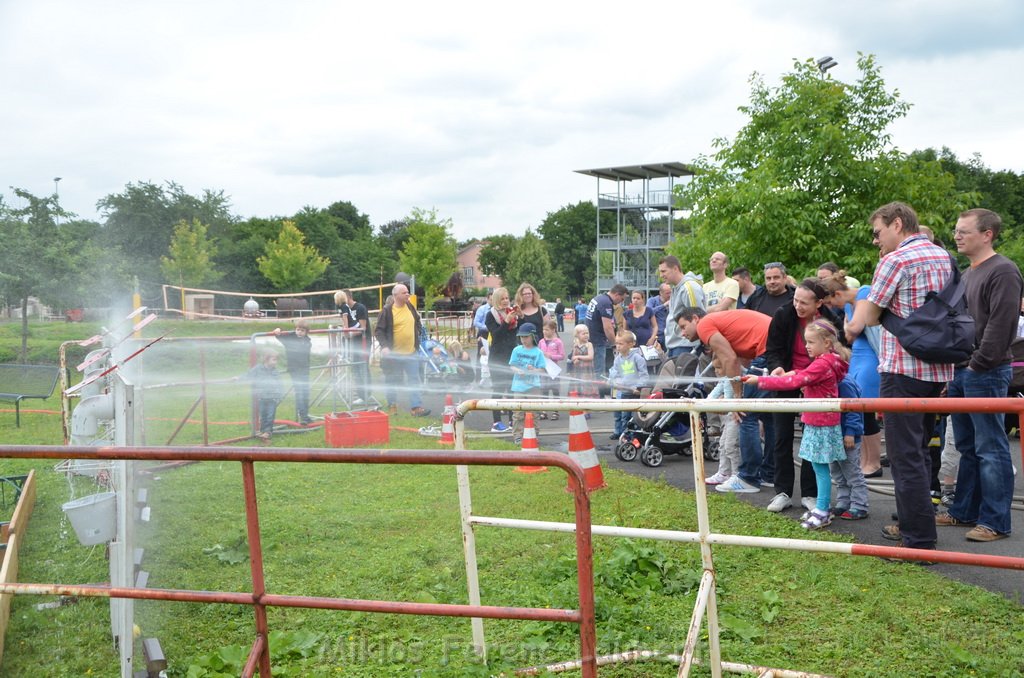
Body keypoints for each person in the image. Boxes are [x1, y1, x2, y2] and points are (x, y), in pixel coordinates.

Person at [845, 201, 956, 553]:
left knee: (906, 457)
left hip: (902, 368)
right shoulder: (943, 256)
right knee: (921, 452)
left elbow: (871, 316)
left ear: (896, 224)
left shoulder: (895, 260)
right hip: (938, 368)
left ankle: (918, 540)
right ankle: (912, 523)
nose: (876, 241)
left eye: (878, 233)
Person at [937, 208, 1023, 542]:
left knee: (991, 447)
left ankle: (996, 521)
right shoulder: (968, 272)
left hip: (985, 370)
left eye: (964, 231)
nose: (957, 236)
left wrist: (977, 364)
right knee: (969, 446)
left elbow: (1002, 325)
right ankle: (964, 511)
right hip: (964, 369)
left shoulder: (1002, 270)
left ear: (987, 234)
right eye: (956, 230)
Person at [744, 319, 850, 529]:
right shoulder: (829, 360)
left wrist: (760, 381)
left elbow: (797, 382)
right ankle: (821, 507)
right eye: (806, 341)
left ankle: (822, 510)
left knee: (820, 469)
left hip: (819, 422)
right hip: (820, 421)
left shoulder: (823, 362)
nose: (807, 346)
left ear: (827, 343)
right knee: (821, 468)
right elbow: (804, 376)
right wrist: (793, 373)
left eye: (811, 342)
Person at [763, 278, 845, 514]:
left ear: (818, 303)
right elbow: (773, 350)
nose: (797, 306)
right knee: (781, 435)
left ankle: (810, 493)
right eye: (795, 300)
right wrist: (777, 368)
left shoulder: (830, 320)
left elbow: (840, 348)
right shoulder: (783, 314)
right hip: (788, 376)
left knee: (813, 439)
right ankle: (782, 492)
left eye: (804, 303)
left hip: (816, 380)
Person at [674, 307, 774, 493]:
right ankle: (769, 474)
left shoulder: (705, 325)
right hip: (773, 345)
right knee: (770, 416)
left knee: (746, 416)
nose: (682, 333)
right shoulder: (720, 323)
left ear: (695, 319)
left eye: (683, 326)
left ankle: (749, 479)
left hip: (767, 349)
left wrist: (737, 399)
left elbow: (730, 360)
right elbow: (740, 359)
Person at [823, 273, 883, 478]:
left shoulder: (864, 293)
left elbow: (854, 328)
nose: (834, 307)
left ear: (838, 293)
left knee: (866, 408)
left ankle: (873, 461)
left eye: (832, 301)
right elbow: (849, 334)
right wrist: (850, 326)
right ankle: (864, 459)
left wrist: (850, 325)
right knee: (856, 406)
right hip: (858, 354)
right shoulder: (849, 304)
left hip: (870, 356)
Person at [374, 283, 431, 418]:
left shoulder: (410, 307)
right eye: (404, 293)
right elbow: (379, 331)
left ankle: (416, 408)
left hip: (411, 353)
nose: (408, 295)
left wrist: (417, 334)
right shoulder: (387, 311)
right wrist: (385, 346)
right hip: (394, 355)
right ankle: (392, 405)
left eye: (408, 292)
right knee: (392, 380)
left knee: (414, 380)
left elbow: (417, 321)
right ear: (395, 295)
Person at [832, 375, 869, 519]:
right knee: (837, 473)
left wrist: (851, 432)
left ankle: (860, 505)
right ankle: (843, 502)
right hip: (833, 436)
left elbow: (854, 409)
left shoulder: (844, 384)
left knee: (852, 473)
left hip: (847, 436)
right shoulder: (829, 382)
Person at [485, 287, 519, 432]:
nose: (506, 301)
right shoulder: (490, 315)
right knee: (498, 388)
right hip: (497, 357)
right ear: (497, 300)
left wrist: (519, 318)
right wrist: (506, 322)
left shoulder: (511, 313)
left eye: (507, 298)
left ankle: (512, 420)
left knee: (511, 389)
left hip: (510, 356)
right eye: (503, 298)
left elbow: (515, 335)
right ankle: (496, 422)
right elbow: (497, 335)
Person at [704, 355, 741, 486]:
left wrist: (723, 400)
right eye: (715, 368)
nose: (716, 371)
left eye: (719, 367)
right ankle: (724, 473)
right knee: (722, 444)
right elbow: (713, 394)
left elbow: (733, 396)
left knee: (731, 446)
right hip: (727, 417)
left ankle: (737, 474)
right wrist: (705, 403)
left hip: (734, 417)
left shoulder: (734, 379)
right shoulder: (723, 380)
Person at [658, 256, 705, 358]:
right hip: (676, 345)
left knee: (684, 374)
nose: (661, 275)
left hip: (687, 346)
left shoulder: (689, 288)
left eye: (663, 271)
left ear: (675, 268)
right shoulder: (676, 288)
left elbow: (697, 317)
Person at [509, 322, 547, 444]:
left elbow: (542, 369)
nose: (523, 340)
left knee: (534, 412)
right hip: (518, 387)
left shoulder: (538, 352)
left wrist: (533, 370)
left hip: (533, 387)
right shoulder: (516, 350)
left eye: (526, 337)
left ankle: (534, 435)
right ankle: (518, 436)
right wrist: (518, 370)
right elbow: (512, 366)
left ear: (533, 336)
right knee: (517, 413)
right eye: (521, 337)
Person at [585, 283, 628, 388]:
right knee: (599, 370)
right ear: (617, 294)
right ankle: (599, 394)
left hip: (591, 338)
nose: (621, 302)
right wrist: (615, 343)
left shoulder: (599, 298)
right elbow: (608, 327)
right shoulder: (606, 303)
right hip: (598, 340)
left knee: (594, 369)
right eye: (622, 299)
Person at [608, 330, 648, 441]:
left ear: (631, 344)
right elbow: (615, 373)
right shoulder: (617, 359)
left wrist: (639, 387)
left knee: (633, 417)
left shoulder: (637, 358)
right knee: (622, 416)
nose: (618, 346)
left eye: (621, 344)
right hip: (623, 392)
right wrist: (613, 380)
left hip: (634, 393)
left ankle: (634, 437)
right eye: (617, 343)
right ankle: (624, 435)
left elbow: (644, 375)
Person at [273, 320, 313, 425]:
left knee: (306, 393)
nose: (299, 332)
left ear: (306, 332)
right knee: (300, 392)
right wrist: (278, 330)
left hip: (304, 370)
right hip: (295, 370)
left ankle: (306, 415)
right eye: (298, 329)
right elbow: (279, 335)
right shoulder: (290, 338)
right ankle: (303, 416)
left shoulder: (307, 341)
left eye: (302, 330)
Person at [337, 289, 371, 404]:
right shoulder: (344, 309)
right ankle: (361, 395)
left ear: (347, 297)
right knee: (355, 368)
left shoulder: (360, 308)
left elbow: (363, 328)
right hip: (353, 343)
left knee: (362, 367)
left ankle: (366, 395)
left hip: (363, 342)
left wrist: (348, 334)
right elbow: (344, 324)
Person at [248, 349, 284, 441]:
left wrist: (279, 396)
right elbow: (249, 375)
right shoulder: (258, 368)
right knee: (263, 414)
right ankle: (263, 430)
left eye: (276, 359)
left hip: (272, 398)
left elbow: (280, 384)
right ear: (266, 359)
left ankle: (268, 432)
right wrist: (238, 378)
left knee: (270, 415)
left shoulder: (275, 371)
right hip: (262, 397)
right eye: (274, 359)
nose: (276, 362)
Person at [538, 318, 565, 420]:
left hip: (554, 370)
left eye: (547, 330)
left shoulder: (558, 342)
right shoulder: (541, 342)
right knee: (543, 390)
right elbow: (539, 353)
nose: (545, 332)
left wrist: (551, 356)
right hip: (544, 369)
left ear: (553, 330)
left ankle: (555, 411)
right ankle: (544, 411)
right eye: (544, 329)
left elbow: (562, 356)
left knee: (555, 390)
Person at [570, 324, 598, 398]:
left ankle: (588, 399)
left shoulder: (589, 345)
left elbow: (590, 357)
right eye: (583, 334)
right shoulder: (575, 345)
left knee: (587, 384)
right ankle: (579, 399)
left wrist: (578, 357)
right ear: (577, 335)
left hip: (587, 370)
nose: (586, 335)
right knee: (579, 385)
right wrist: (575, 360)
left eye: (587, 333)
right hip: (578, 370)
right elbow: (573, 357)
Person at [647, 283, 672, 349]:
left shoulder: (673, 301)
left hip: (668, 335)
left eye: (671, 293)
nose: (670, 295)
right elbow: (648, 312)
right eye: (667, 293)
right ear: (661, 293)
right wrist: (663, 306)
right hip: (656, 335)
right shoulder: (652, 301)